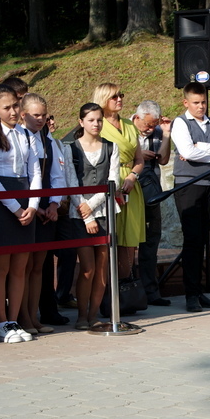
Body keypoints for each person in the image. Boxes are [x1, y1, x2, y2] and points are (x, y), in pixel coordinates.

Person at [0, 84, 42, 343]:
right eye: (7, 107)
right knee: (1, 267)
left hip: (25, 199)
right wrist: (15, 208)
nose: (14, 111)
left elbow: (35, 171)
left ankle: (14, 320)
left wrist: (33, 205)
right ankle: (2, 322)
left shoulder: (25, 134)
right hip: (1, 203)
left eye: (16, 105)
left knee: (20, 266)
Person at [170, 82, 210, 313]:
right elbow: (187, 152)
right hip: (188, 186)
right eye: (196, 103)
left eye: (204, 102)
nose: (201, 107)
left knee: (204, 239)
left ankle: (200, 292)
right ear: (186, 102)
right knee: (192, 239)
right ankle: (191, 294)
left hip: (209, 184)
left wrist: (203, 147)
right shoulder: (180, 123)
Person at [67, 103, 120, 330]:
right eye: (91, 120)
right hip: (79, 213)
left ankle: (94, 314)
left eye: (99, 120)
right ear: (81, 122)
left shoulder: (111, 147)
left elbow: (113, 180)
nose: (96, 124)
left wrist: (93, 205)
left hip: (105, 211)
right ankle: (81, 315)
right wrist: (85, 213)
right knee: (87, 267)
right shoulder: (70, 148)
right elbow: (70, 182)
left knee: (102, 267)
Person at [16, 93, 65, 335]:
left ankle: (33, 315)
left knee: (38, 266)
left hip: (46, 209)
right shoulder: (17, 137)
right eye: (36, 115)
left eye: (43, 115)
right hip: (25, 208)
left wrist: (54, 204)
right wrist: (33, 208)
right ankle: (22, 316)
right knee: (23, 266)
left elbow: (57, 176)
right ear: (23, 114)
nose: (41, 119)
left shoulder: (50, 141)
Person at [93, 83, 145, 282]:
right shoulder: (97, 124)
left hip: (130, 184)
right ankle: (106, 287)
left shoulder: (130, 125)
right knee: (110, 237)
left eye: (120, 95)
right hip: (109, 183)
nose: (119, 99)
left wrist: (132, 176)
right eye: (114, 96)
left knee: (130, 238)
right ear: (103, 99)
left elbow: (139, 158)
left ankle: (125, 283)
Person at [131, 100, 172, 307]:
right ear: (137, 118)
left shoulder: (157, 131)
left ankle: (151, 291)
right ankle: (128, 289)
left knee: (150, 241)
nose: (150, 128)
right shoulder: (126, 129)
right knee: (128, 244)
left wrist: (165, 133)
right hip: (129, 189)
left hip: (151, 190)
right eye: (148, 124)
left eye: (154, 124)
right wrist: (138, 156)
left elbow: (163, 160)